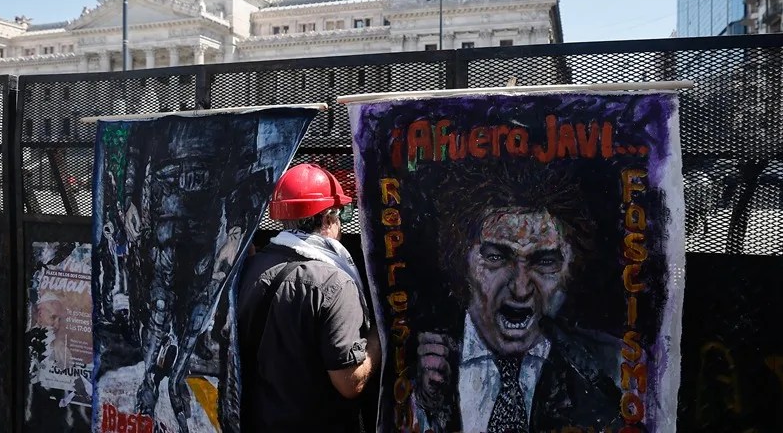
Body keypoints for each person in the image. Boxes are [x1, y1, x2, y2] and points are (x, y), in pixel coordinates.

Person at [413, 163, 624, 432]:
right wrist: (423, 405)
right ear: (460, 260)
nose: (521, 288)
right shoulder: (417, 359)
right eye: (496, 258)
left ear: (570, 267)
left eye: (545, 261)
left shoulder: (611, 367)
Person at [237, 163, 381, 432]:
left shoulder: (248, 268)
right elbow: (350, 382)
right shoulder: (335, 283)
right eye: (340, 215)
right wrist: (379, 338)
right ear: (327, 219)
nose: (340, 224)